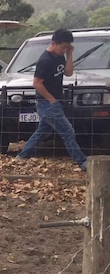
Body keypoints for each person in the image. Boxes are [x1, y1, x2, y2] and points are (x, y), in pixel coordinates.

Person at [16, 28, 87, 171]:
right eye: (63, 47)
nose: (64, 49)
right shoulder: (45, 60)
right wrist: (51, 100)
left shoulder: (60, 56)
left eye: (67, 47)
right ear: (54, 43)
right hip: (47, 103)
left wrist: (69, 54)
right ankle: (82, 161)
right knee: (68, 131)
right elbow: (36, 83)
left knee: (42, 131)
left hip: (54, 102)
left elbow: (68, 72)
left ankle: (22, 156)